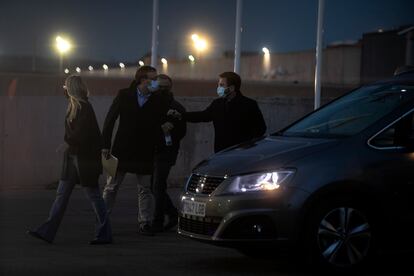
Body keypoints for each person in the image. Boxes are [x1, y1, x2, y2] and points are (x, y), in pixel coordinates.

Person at [27, 75, 112, 245]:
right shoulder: (74, 106)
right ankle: (47, 232)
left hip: (85, 160)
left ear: (71, 88)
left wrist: (68, 143)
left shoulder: (84, 107)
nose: (63, 88)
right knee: (61, 195)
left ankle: (104, 234)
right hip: (73, 159)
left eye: (65, 86)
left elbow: (83, 133)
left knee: (94, 196)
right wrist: (69, 144)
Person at [102, 66, 169, 236]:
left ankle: (144, 222)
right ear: (142, 79)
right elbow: (110, 119)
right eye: (152, 79)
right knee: (111, 186)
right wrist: (105, 145)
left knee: (144, 188)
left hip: (145, 150)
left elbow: (161, 122)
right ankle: (102, 218)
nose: (156, 82)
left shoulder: (158, 99)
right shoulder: (124, 95)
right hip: (121, 149)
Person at [168, 71, 266, 153]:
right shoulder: (217, 104)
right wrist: (181, 115)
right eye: (219, 85)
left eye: (222, 85)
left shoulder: (249, 105)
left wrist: (247, 145)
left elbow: (261, 129)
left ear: (231, 88)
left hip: (241, 153)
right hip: (220, 152)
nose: (219, 88)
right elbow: (203, 116)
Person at [152, 74, 186, 232]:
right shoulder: (151, 104)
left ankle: (158, 222)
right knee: (155, 187)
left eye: (165, 87)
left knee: (158, 186)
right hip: (153, 151)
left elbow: (182, 131)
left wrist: (172, 129)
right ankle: (172, 214)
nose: (162, 90)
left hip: (166, 152)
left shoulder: (176, 107)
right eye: (160, 87)